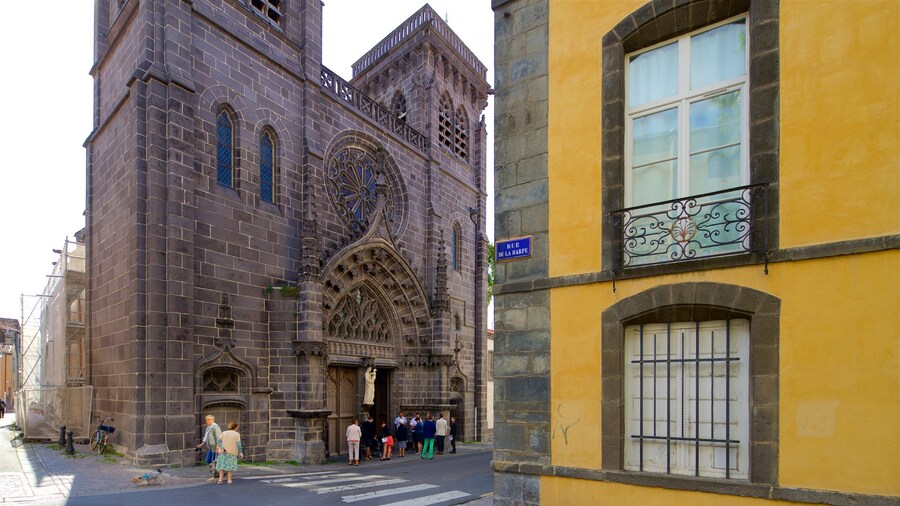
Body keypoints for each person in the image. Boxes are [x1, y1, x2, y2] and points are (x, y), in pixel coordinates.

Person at [197, 415, 222, 482]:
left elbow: (218, 437)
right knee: (209, 460)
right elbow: (206, 437)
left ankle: (215, 476)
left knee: (213, 462)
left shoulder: (215, 427)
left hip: (215, 448)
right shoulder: (208, 427)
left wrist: (217, 447)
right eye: (206, 420)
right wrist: (201, 444)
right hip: (211, 448)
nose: (207, 421)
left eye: (209, 419)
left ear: (213, 420)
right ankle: (217, 474)